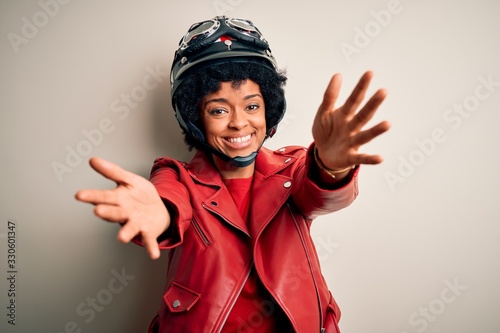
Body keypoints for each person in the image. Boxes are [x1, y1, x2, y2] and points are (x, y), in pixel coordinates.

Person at [75, 16, 390, 333]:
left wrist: (331, 165)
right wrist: (160, 217)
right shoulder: (176, 176)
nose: (239, 123)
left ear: (269, 107)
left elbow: (322, 193)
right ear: (194, 118)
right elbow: (169, 203)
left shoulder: (293, 167)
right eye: (219, 110)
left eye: (252, 106)